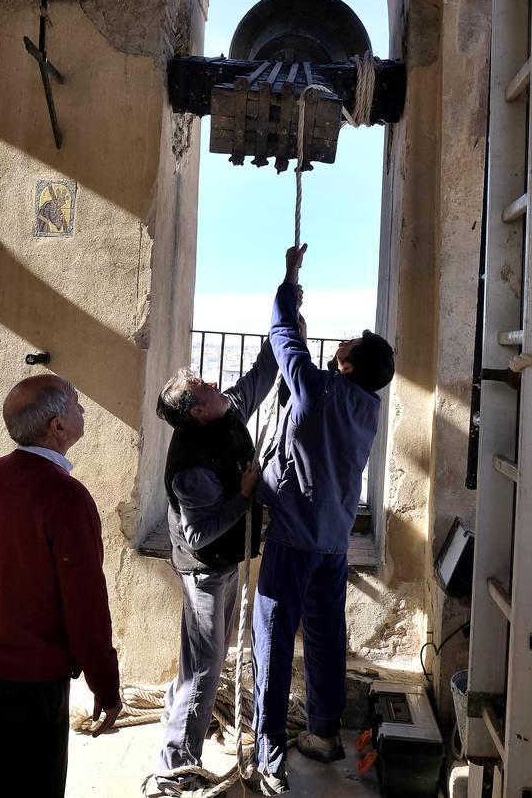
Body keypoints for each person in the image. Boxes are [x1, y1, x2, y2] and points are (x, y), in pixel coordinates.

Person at [250, 245, 395, 795]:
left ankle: (267, 756)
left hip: (294, 539)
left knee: (274, 639)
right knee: (326, 637)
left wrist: (288, 280)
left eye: (351, 342)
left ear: (351, 363)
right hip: (334, 541)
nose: (344, 341)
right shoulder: (367, 408)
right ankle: (323, 733)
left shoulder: (317, 391)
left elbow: (284, 339)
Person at [0, 375, 121, 798]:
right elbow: (85, 605)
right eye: (77, 405)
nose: (85, 411)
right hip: (31, 683)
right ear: (57, 426)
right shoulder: (66, 497)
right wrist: (105, 684)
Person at [154, 338, 278, 796]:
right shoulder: (192, 467)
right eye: (202, 387)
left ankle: (176, 717)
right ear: (197, 413)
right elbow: (199, 534)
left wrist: (288, 298)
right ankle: (178, 764)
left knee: (203, 657)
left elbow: (261, 375)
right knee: (207, 666)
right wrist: (244, 495)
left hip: (222, 562)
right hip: (204, 567)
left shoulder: (225, 412)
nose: (212, 383)